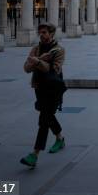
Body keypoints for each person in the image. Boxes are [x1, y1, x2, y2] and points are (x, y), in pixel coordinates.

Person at [20, 22, 67, 168]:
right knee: (47, 115)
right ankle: (60, 139)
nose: (42, 34)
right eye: (40, 32)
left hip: (53, 88)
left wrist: (38, 62)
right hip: (39, 87)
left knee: (44, 120)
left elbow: (54, 70)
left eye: (45, 32)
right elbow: (26, 68)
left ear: (51, 34)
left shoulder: (59, 50)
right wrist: (37, 62)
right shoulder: (36, 49)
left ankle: (34, 154)